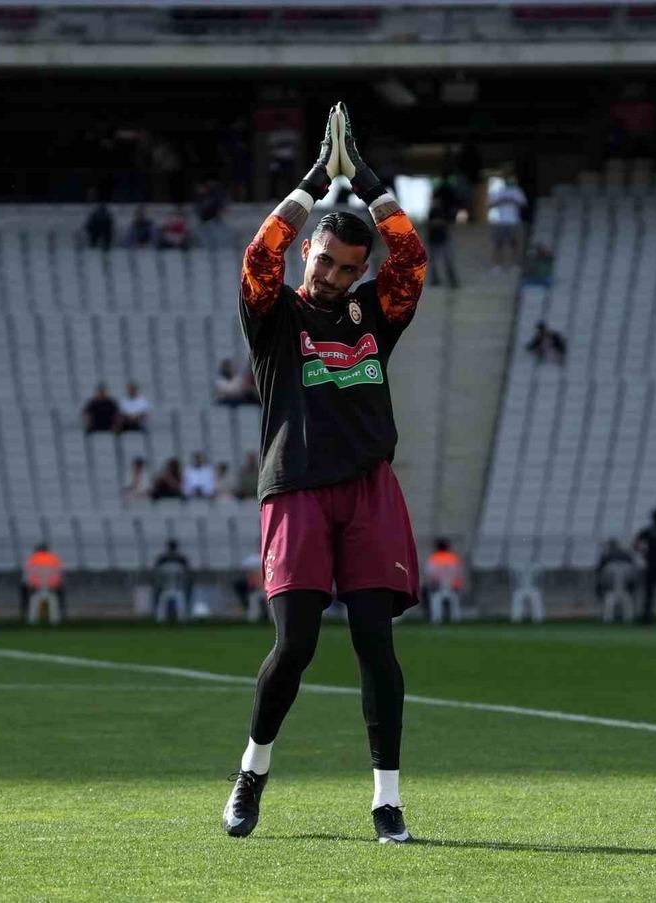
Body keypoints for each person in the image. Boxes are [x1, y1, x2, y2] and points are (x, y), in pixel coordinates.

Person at [223, 102, 426, 846]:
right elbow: (256, 255)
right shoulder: (275, 316)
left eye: (350, 267)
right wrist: (315, 179)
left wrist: (366, 179)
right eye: (326, 260)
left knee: (376, 642)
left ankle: (386, 801)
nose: (337, 275)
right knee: (296, 646)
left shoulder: (376, 311)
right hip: (298, 488)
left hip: (369, 490)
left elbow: (412, 259)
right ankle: (252, 772)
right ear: (309, 250)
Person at [487, 175, 527, 270]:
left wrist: (513, 200)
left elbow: (523, 203)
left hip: (513, 221)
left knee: (515, 244)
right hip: (499, 221)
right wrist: (501, 201)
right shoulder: (496, 192)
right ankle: (497, 265)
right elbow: (490, 205)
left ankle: (515, 264)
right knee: (497, 244)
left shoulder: (517, 191)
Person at [596, 538, 639, 623]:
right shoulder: (609, 568)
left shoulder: (625, 567)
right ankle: (610, 620)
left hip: (622, 590)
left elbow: (633, 579)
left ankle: (625, 620)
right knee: (610, 603)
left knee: (626, 603)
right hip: (612, 590)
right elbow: (603, 580)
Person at [21, 544, 66, 623]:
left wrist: (31, 585)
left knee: (33, 603)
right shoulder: (53, 558)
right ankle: (55, 622)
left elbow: (27, 576)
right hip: (51, 587)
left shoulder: (33, 559)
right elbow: (59, 574)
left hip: (36, 587)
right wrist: (55, 585)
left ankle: (32, 622)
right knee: (53, 604)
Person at [424, 538, 465, 624]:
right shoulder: (453, 557)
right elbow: (458, 573)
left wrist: (431, 585)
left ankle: (436, 620)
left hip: (438, 586)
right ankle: (456, 620)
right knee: (454, 604)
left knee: (435, 603)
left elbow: (430, 574)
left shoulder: (434, 558)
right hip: (451, 586)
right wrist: (457, 585)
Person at [152, 539, 192, 623]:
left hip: (174, 588)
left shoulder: (177, 559)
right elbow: (158, 574)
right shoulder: (166, 559)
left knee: (166, 608)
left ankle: (163, 622)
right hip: (171, 588)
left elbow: (186, 574)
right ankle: (179, 621)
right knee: (166, 608)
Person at [426, 198, 458, 289]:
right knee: (434, 262)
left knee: (447, 260)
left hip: (443, 239)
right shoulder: (432, 212)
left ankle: (452, 280)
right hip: (434, 239)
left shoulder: (443, 211)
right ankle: (435, 279)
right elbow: (430, 224)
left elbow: (446, 223)